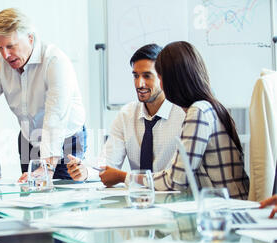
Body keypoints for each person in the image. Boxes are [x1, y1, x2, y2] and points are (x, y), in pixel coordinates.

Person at [98, 41, 249, 200]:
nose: (162, 84)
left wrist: (123, 177)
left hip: (226, 211)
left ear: (172, 80)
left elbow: (174, 181)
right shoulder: (205, 107)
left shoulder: (198, 112)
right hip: (218, 206)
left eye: (159, 76)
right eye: (135, 76)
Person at [0, 8, 86, 181]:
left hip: (65, 138)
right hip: (29, 137)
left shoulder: (55, 61)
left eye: (10, 46)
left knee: (61, 198)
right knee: (30, 195)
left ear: (30, 38)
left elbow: (55, 117)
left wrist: (46, 168)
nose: (5, 55)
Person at [67, 43, 185, 181]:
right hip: (138, 198)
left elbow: (178, 176)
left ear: (162, 77)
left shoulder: (183, 114)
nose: (139, 84)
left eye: (147, 76)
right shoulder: (127, 115)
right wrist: (85, 171)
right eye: (135, 76)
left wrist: (124, 177)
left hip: (175, 197)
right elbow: (108, 163)